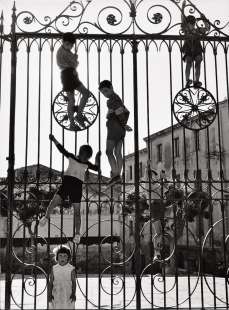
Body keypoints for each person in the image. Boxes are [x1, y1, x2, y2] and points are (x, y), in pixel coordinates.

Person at [40, 134, 101, 243]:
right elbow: (62, 150)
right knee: (53, 203)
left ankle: (77, 234)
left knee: (77, 213)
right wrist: (54, 139)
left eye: (87, 157)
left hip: (77, 189)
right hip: (66, 186)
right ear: (80, 153)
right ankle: (46, 217)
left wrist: (97, 156)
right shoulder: (72, 157)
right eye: (84, 156)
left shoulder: (87, 164)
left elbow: (97, 168)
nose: (85, 159)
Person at [99, 80, 132, 185]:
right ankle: (118, 176)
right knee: (117, 152)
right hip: (121, 130)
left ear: (111, 88)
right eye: (103, 92)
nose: (105, 94)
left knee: (109, 152)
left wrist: (123, 124)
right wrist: (124, 125)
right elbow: (123, 111)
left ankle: (116, 175)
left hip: (114, 127)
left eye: (106, 91)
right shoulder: (117, 98)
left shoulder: (111, 100)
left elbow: (119, 112)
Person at [56, 32, 90, 130]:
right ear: (63, 42)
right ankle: (73, 122)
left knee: (85, 93)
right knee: (72, 99)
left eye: (71, 45)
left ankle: (78, 116)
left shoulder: (66, 51)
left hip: (71, 75)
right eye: (68, 44)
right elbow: (65, 64)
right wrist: (74, 61)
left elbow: (73, 64)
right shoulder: (61, 51)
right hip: (67, 75)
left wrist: (74, 61)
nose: (70, 47)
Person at [181, 0, 209, 88]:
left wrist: (204, 19)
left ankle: (196, 81)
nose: (191, 25)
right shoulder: (185, 29)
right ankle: (187, 80)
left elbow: (207, 28)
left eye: (192, 23)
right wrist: (182, 7)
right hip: (188, 48)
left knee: (198, 63)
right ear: (187, 23)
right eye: (190, 23)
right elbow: (182, 18)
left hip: (197, 48)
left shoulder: (197, 31)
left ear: (194, 24)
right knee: (189, 63)